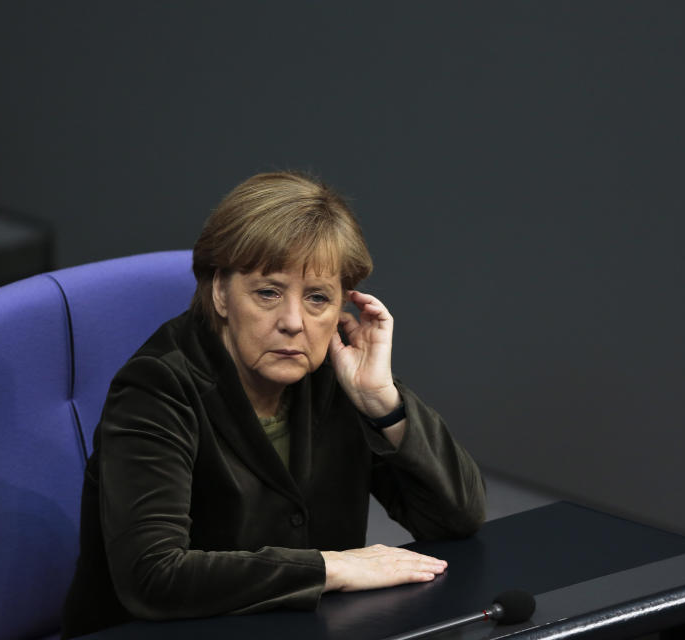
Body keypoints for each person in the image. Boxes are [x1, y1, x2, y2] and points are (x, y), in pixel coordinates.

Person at [61, 171, 486, 638]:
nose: (293, 322)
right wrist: (330, 568)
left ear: (343, 306)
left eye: (318, 299)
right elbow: (154, 576)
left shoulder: (336, 377)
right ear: (220, 291)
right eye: (268, 292)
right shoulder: (156, 387)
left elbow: (456, 518)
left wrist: (381, 402)